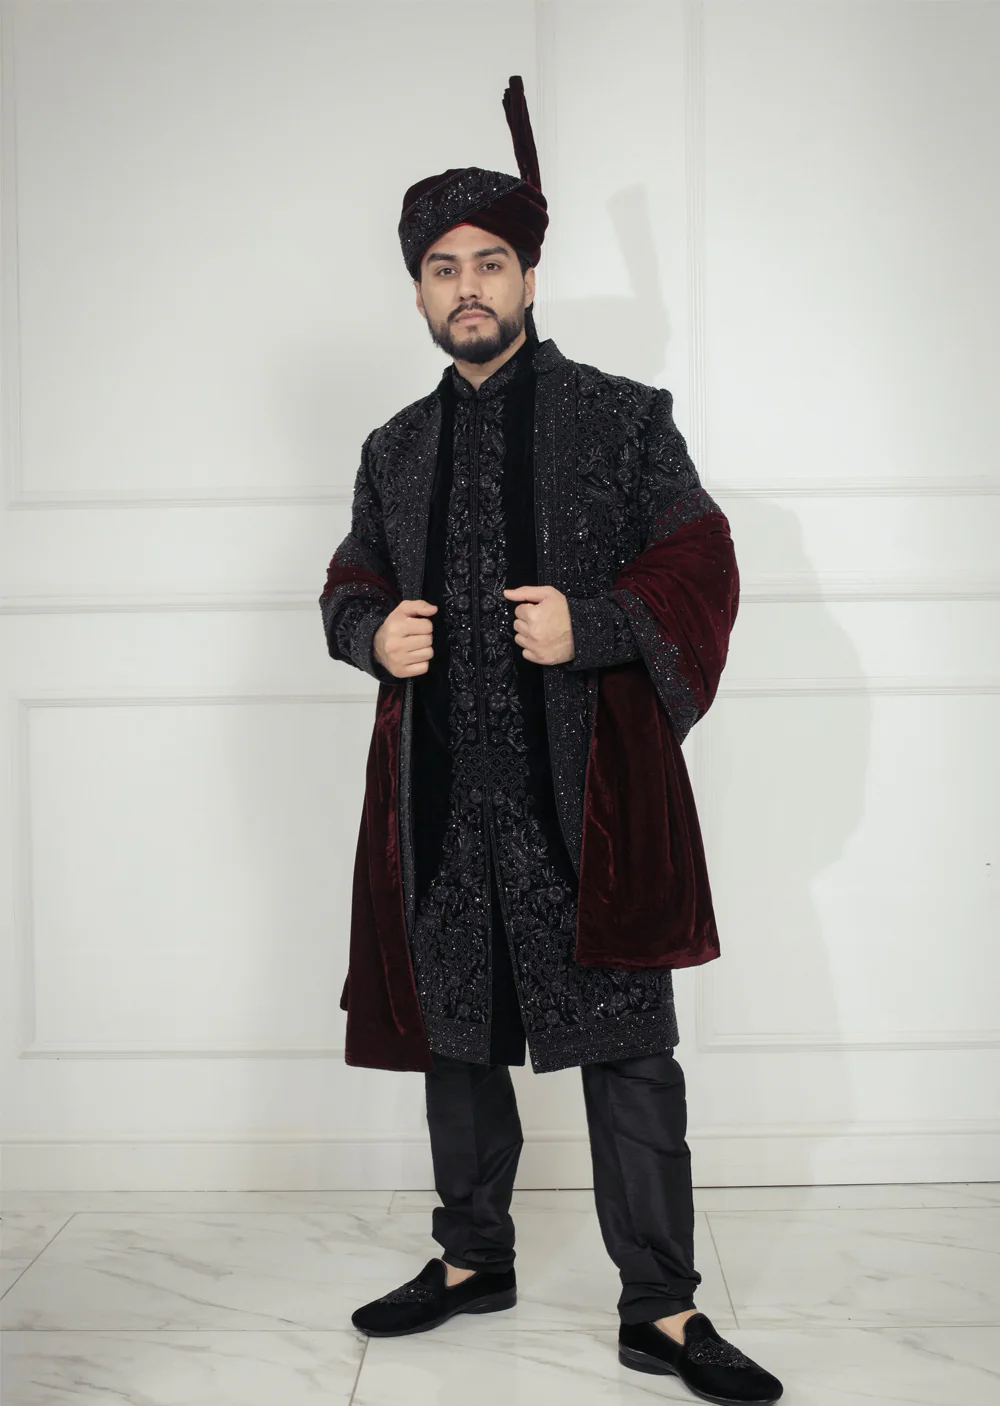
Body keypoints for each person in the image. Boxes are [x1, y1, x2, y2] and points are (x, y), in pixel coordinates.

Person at [319, 77, 782, 1405]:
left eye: (489, 263)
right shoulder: (394, 448)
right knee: (458, 1040)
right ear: (418, 292)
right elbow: (350, 578)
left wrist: (599, 623)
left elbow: (702, 562)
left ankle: (664, 1308)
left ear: (528, 274)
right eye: (442, 269)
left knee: (627, 1047)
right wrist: (368, 632)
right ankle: (474, 1258)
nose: (467, 288)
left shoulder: (625, 418)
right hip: (443, 801)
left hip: (583, 802)